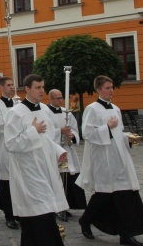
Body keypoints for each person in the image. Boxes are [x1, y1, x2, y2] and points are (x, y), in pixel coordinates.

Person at [76, 75, 143, 246]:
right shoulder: (92, 109)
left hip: (119, 159)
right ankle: (86, 219)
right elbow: (87, 134)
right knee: (103, 195)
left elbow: (118, 134)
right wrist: (107, 127)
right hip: (103, 159)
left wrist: (128, 138)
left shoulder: (116, 108)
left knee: (125, 194)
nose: (111, 91)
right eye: (107, 88)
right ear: (99, 89)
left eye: (112, 87)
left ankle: (126, 235)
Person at [4, 74, 68, 246]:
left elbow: (48, 138)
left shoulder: (45, 110)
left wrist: (58, 150)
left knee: (36, 220)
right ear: (27, 89)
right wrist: (33, 131)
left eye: (43, 87)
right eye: (38, 87)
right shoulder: (15, 113)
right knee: (41, 213)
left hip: (46, 167)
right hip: (28, 171)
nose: (42, 91)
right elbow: (10, 143)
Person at [47, 89, 86, 217]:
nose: (60, 100)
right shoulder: (45, 113)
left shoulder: (66, 112)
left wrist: (72, 136)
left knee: (68, 179)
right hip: (54, 150)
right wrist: (60, 131)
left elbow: (74, 129)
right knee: (57, 179)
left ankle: (66, 206)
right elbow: (46, 132)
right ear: (50, 99)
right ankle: (56, 207)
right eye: (57, 98)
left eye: (61, 97)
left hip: (68, 150)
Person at [0, 76, 19, 230]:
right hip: (4, 149)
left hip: (19, 149)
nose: (12, 87)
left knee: (18, 184)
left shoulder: (19, 103)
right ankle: (9, 215)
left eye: (13, 84)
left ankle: (17, 211)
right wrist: (14, 118)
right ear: (1, 88)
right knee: (6, 184)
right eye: (8, 85)